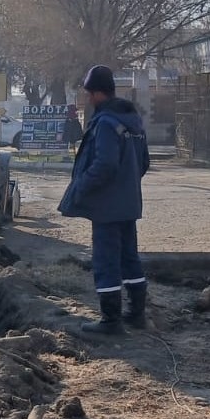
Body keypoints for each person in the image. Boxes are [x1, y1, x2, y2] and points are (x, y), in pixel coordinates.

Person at [59, 65, 151, 335]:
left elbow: (105, 164)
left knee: (106, 259)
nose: (88, 99)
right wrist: (126, 185)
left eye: (89, 93)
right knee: (129, 258)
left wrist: (81, 187)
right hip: (128, 203)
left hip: (107, 207)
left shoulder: (107, 123)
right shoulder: (133, 121)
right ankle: (136, 314)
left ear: (98, 93)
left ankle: (111, 320)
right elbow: (143, 162)